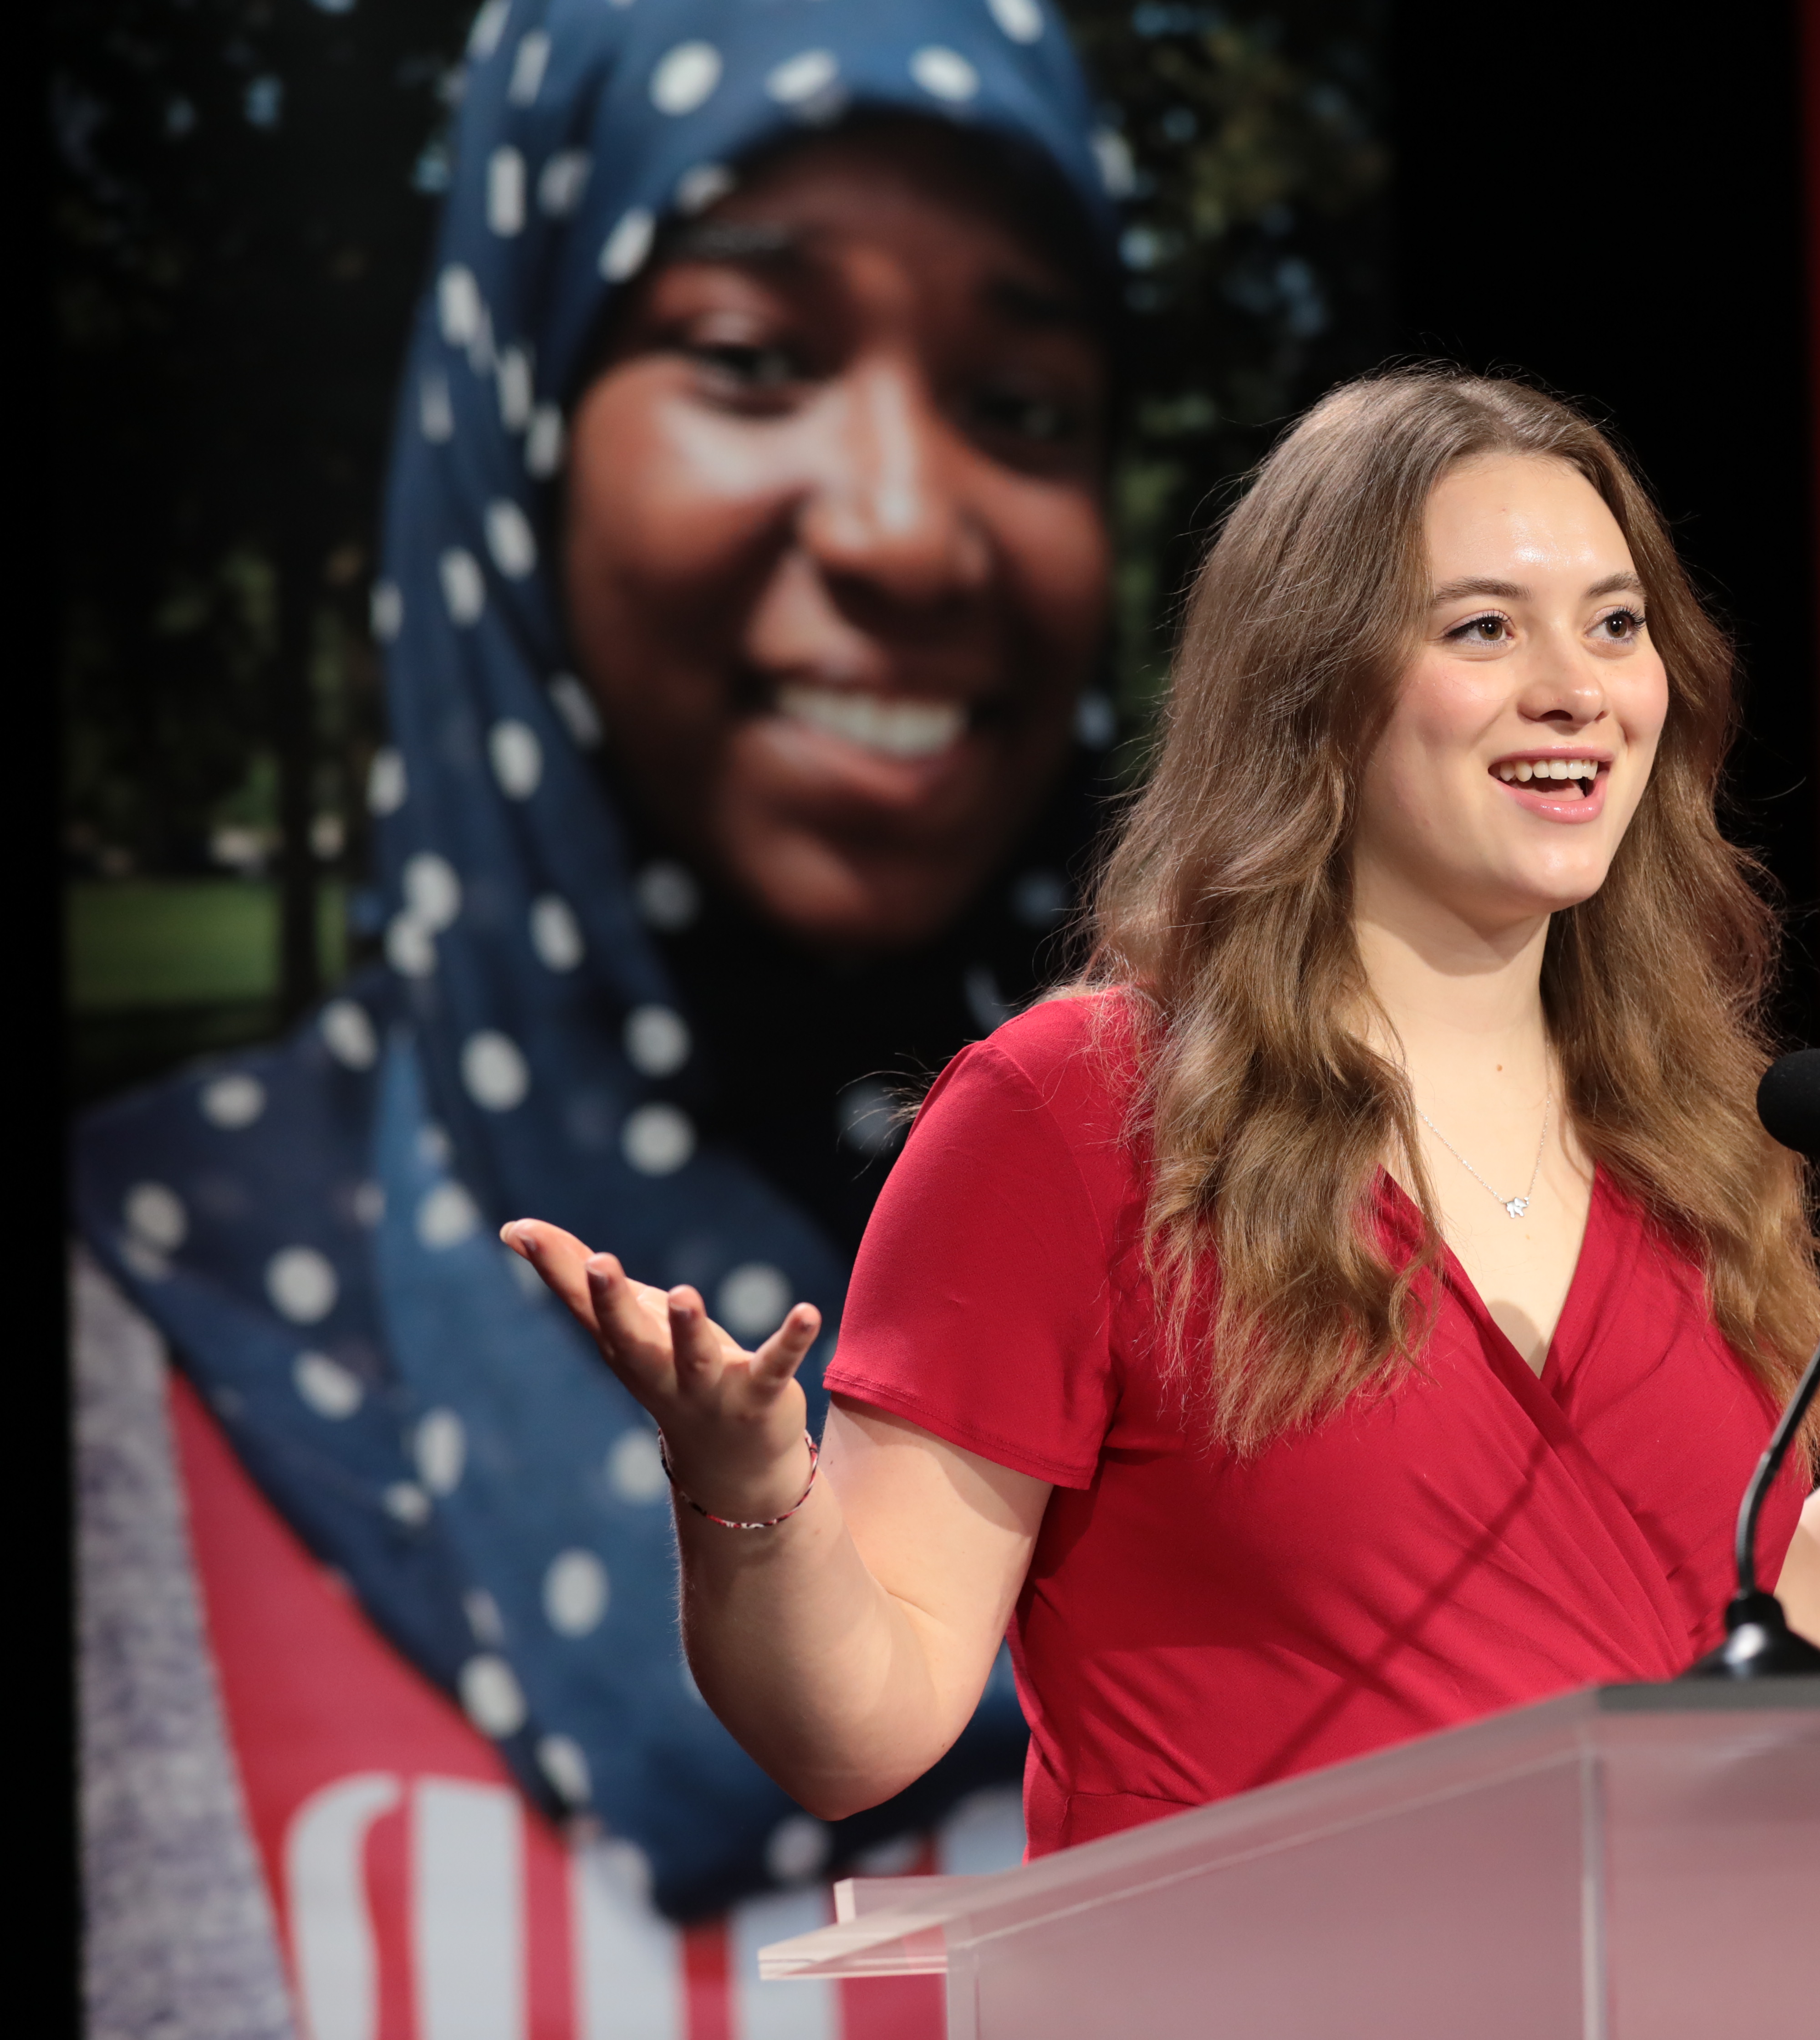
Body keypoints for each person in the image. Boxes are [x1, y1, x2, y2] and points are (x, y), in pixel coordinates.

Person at [506, 370, 1820, 1856]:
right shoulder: (1077, 1117)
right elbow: (868, 1720)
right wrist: (747, 1501)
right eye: (1484, 628)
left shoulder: (1693, 1128)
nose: (1578, 689)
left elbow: (1744, 1645)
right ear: (1317, 694)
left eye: (1617, 624)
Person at [71, 0, 1126, 2030]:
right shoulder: (154, 1334)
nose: (907, 525)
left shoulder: (1259, 1269)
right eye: (750, 358)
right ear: (513, 420)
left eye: (1020, 396)